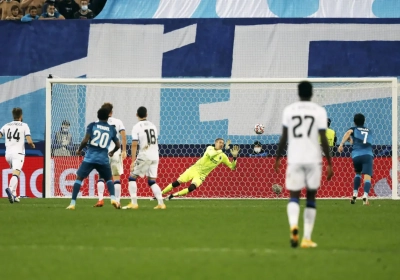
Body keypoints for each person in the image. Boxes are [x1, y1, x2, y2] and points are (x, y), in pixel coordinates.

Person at [274, 81, 333, 249]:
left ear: (298, 93)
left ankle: (293, 225)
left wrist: (278, 158)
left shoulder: (289, 110)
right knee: (311, 197)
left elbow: (284, 137)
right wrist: (329, 162)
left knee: (294, 195)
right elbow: (323, 137)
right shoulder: (319, 111)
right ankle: (307, 238)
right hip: (313, 159)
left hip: (294, 158)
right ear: (312, 93)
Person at [66, 108, 121, 210]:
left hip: (90, 158)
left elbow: (85, 140)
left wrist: (79, 150)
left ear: (98, 116)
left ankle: (72, 203)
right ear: (108, 117)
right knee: (109, 179)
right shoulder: (111, 129)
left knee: (79, 178)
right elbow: (118, 145)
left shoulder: (92, 125)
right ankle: (113, 198)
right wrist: (112, 152)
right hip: (103, 159)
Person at [161, 138, 240, 200]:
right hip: (194, 169)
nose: (221, 144)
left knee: (191, 188)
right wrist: (222, 150)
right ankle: (159, 194)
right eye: (220, 142)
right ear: (215, 143)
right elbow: (211, 155)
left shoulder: (222, 156)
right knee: (177, 183)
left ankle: (172, 195)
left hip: (202, 175)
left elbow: (232, 167)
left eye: (222, 143)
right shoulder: (210, 148)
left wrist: (234, 157)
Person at [122, 106, 166, 210]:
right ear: (146, 114)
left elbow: (134, 144)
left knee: (132, 177)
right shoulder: (153, 126)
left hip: (145, 155)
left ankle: (134, 203)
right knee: (151, 181)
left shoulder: (137, 126)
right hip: (155, 154)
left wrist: (132, 161)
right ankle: (161, 203)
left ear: (137, 115)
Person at [94, 103, 127, 207]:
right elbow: (123, 136)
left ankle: (100, 199)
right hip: (115, 152)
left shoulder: (97, 123)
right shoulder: (118, 122)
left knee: (101, 176)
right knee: (116, 177)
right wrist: (124, 150)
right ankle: (117, 201)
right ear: (111, 112)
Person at [0, 108, 35, 203]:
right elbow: (29, 140)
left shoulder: (6, 125)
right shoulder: (24, 125)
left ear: (13, 115)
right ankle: (10, 190)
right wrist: (32, 145)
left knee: (15, 172)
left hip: (8, 155)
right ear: (21, 116)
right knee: (16, 173)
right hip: (18, 154)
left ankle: (14, 195)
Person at [338, 113, 373, 205]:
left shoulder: (353, 129)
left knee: (358, 173)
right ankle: (365, 196)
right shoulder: (369, 131)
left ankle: (355, 194)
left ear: (354, 122)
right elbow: (363, 141)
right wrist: (352, 141)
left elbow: (348, 133)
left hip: (356, 155)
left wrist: (342, 144)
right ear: (364, 121)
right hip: (367, 155)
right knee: (367, 175)